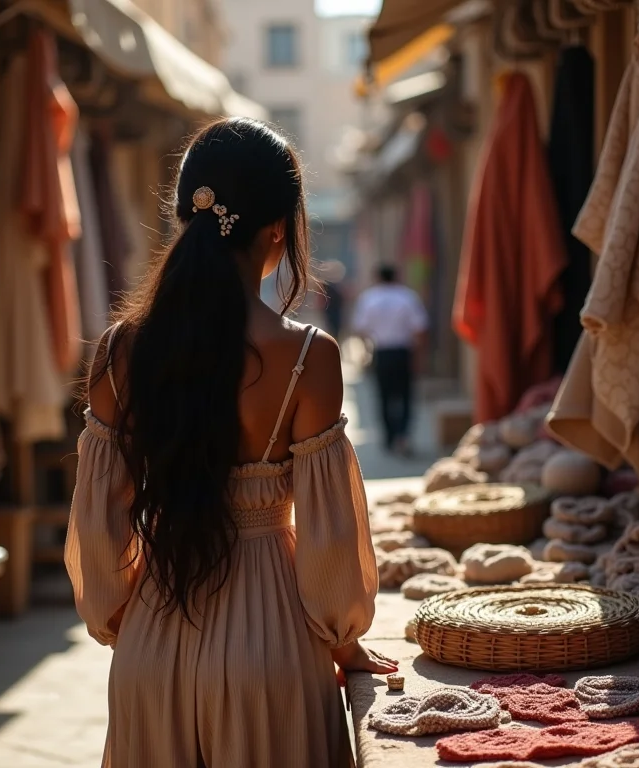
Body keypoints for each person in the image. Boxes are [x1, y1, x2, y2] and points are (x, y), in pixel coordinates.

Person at [65, 118, 397, 768]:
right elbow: (330, 539)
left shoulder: (117, 352)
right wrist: (343, 636)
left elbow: (99, 529)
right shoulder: (308, 356)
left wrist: (120, 623)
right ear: (279, 227)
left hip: (150, 647)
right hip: (274, 650)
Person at [353, 265, 428, 454]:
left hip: (381, 353)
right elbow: (420, 329)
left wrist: (367, 349)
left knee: (384, 397)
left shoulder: (369, 298)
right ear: (396, 276)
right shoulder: (407, 296)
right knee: (405, 396)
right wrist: (418, 356)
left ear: (377, 277)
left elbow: (360, 329)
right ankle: (403, 435)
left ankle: (389, 437)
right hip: (403, 352)